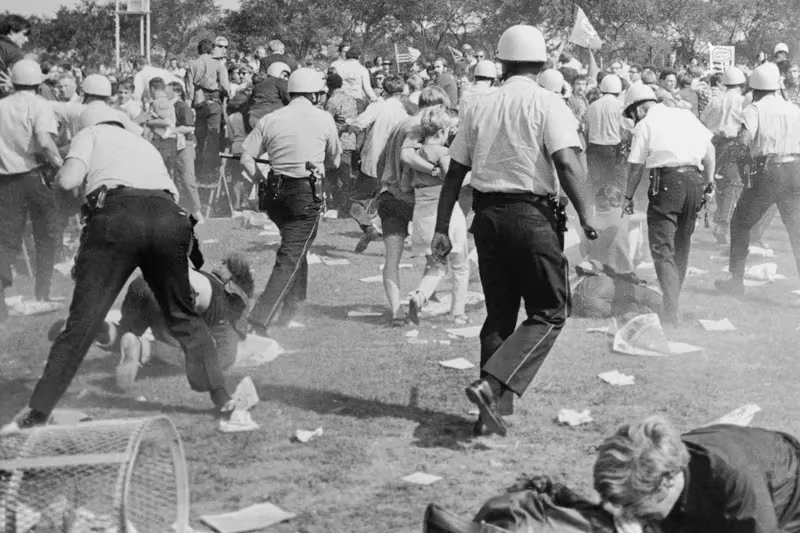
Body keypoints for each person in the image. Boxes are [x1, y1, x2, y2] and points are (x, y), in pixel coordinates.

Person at [5, 103, 236, 430]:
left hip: (117, 218)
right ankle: (224, 398)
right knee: (183, 314)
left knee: (82, 323)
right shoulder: (142, 143)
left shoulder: (91, 133)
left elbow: (67, 181)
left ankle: (38, 410)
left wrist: (68, 205)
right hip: (169, 218)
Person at [432, 25, 597, 437]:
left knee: (500, 315)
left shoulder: (478, 106)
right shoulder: (549, 103)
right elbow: (567, 164)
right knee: (551, 309)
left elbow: (455, 174)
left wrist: (441, 227)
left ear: (503, 62)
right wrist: (587, 214)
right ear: (542, 63)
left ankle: (492, 411)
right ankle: (492, 385)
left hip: (486, 217)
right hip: (531, 215)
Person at [240, 68, 341, 335]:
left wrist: (262, 181)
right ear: (315, 94)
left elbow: (246, 158)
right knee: (292, 254)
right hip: (305, 192)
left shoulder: (271, 118)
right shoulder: (323, 118)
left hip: (275, 193)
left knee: (296, 248)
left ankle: (292, 308)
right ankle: (260, 318)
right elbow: (335, 160)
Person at [594, 415, 800, 532]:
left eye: (636, 507)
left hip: (788, 496)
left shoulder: (736, 478)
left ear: (668, 481)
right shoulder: (659, 461)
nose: (629, 513)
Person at [621, 84, 715, 327]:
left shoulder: (645, 124)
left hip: (667, 183)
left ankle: (671, 312)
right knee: (681, 246)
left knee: (662, 249)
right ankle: (672, 303)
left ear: (639, 109)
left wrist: (627, 197)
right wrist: (709, 181)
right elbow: (710, 149)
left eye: (632, 115)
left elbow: (635, 165)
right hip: (694, 179)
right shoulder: (685, 115)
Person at [716, 62, 800, 296]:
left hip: (767, 168)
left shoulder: (755, 109)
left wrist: (741, 169)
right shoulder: (794, 109)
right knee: (796, 230)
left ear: (754, 88)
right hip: (794, 169)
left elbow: (743, 142)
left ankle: (736, 280)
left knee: (741, 223)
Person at [377, 86, 451, 325]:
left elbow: (382, 160)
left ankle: (397, 309)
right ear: (439, 106)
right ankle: (422, 296)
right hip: (413, 200)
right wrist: (434, 170)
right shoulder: (418, 128)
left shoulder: (401, 123)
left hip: (388, 195)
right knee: (436, 259)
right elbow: (407, 157)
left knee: (392, 258)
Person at [0, 59, 62, 321]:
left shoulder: (1, 106)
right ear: (38, 82)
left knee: (5, 242)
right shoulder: (39, 105)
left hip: (5, 180)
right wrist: (60, 164)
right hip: (33, 176)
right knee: (46, 237)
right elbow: (46, 142)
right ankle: (42, 294)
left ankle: (1, 303)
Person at [407, 106, 470, 325]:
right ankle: (458, 313)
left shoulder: (417, 153)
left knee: (436, 267)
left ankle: (419, 296)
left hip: (422, 214)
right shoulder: (443, 153)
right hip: (445, 214)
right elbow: (454, 180)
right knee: (460, 267)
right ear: (442, 132)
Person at [347, 74, 408, 253]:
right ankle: (392, 237)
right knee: (387, 204)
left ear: (384, 90)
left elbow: (359, 123)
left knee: (354, 204)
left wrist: (350, 124)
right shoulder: (403, 113)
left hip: (373, 162)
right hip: (392, 166)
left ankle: (369, 229)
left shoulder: (378, 106)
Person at [700, 66, 747, 245]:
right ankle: (722, 223)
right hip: (734, 143)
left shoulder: (715, 100)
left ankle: (721, 218)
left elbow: (703, 121)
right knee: (733, 184)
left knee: (719, 182)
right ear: (741, 84)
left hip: (715, 143)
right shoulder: (743, 102)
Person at [186, 38, 230, 183]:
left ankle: (198, 172)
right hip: (214, 101)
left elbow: (189, 89)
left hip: (199, 101)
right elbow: (225, 85)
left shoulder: (192, 64)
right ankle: (210, 174)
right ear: (211, 50)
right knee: (212, 138)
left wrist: (192, 104)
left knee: (200, 138)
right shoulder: (218, 64)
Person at [584, 74, 626, 197]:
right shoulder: (620, 106)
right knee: (616, 184)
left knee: (597, 184)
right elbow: (625, 129)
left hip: (594, 149)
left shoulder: (592, 106)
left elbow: (587, 129)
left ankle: (596, 212)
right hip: (613, 149)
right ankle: (617, 212)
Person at [324, 72, 358, 214]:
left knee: (333, 174)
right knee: (345, 174)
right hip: (350, 140)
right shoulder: (352, 99)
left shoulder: (332, 101)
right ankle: (346, 204)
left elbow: (327, 122)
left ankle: (337, 204)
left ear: (329, 85)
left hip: (337, 141)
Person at [170, 81, 203, 222]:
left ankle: (197, 212)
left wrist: (169, 131)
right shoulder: (166, 106)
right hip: (173, 146)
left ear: (177, 92)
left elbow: (190, 127)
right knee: (175, 180)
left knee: (188, 179)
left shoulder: (182, 106)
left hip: (185, 146)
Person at [244, 61, 291, 130]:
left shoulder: (257, 86)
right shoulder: (279, 81)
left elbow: (250, 103)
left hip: (253, 118)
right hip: (270, 117)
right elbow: (289, 99)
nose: (286, 79)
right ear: (277, 73)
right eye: (285, 75)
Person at [145, 77, 178, 174]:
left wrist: (148, 122)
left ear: (152, 89)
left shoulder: (159, 102)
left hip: (162, 142)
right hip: (167, 142)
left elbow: (166, 121)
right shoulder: (167, 102)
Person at [335, 46, 377, 113]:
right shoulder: (362, 69)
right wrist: (375, 99)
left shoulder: (338, 68)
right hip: (356, 101)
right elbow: (367, 88)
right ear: (359, 56)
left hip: (341, 100)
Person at [0, 14, 30, 96]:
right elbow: (12, 83)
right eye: (24, 34)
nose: (26, 39)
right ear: (12, 31)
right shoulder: (14, 52)